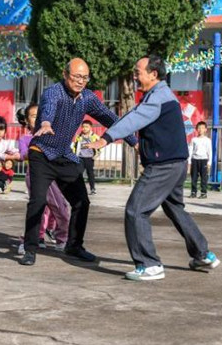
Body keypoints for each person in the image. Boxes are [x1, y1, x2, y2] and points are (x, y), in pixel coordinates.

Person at [87, 55, 219, 281]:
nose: (134, 76)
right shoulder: (162, 95)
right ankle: (203, 254)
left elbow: (133, 119)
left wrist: (105, 139)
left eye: (138, 72)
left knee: (136, 210)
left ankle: (150, 265)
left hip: (163, 167)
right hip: (176, 164)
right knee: (175, 209)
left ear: (153, 74)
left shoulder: (158, 97)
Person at [20, 58, 136, 266]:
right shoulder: (53, 92)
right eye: (76, 76)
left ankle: (74, 246)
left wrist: (134, 142)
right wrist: (45, 123)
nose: (81, 81)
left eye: (85, 77)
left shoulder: (88, 98)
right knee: (38, 201)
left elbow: (111, 119)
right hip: (41, 154)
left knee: (82, 201)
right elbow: (48, 108)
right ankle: (30, 249)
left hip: (64, 156)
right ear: (65, 75)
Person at [17, 104, 69, 254]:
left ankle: (62, 238)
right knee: (38, 208)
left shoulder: (53, 136)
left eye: (41, 115)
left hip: (53, 177)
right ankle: (32, 239)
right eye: (34, 116)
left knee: (60, 208)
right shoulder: (25, 139)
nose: (38, 118)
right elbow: (24, 154)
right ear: (26, 120)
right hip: (34, 175)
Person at [73, 120, 99, 195]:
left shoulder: (94, 137)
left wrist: (96, 155)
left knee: (90, 173)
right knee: (79, 173)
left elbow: (99, 146)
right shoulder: (79, 136)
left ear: (91, 128)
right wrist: (75, 155)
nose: (84, 128)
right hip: (80, 157)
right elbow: (75, 146)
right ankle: (78, 189)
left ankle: (92, 189)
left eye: (87, 127)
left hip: (89, 158)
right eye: (83, 127)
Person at [187, 121, 212, 199]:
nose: (201, 129)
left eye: (202, 128)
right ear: (196, 129)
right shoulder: (194, 140)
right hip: (195, 160)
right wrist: (189, 162)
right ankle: (193, 192)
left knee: (204, 177)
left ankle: (203, 193)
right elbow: (190, 150)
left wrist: (209, 163)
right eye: (199, 128)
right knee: (194, 177)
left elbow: (210, 151)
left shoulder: (208, 140)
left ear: (205, 129)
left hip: (204, 160)